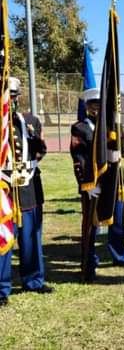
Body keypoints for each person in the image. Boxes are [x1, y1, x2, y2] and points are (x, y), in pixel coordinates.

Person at [70, 88, 124, 282]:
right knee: (91, 225)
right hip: (94, 183)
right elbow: (78, 157)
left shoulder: (114, 125)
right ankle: (89, 262)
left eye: (100, 105)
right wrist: (86, 184)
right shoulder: (80, 128)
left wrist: (116, 142)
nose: (97, 108)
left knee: (117, 220)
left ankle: (120, 256)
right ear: (87, 107)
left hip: (115, 180)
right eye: (93, 105)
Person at [0, 77, 53, 306]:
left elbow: (41, 150)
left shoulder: (30, 120)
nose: (10, 100)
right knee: (4, 236)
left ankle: (33, 279)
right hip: (4, 188)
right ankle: (2, 288)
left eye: (13, 96)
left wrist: (35, 148)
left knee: (32, 235)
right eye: (6, 96)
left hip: (28, 185)